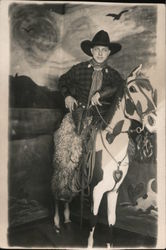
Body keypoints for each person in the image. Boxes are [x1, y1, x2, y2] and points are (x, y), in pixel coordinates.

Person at [52, 29, 124, 205]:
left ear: (109, 53)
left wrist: (103, 93)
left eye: (104, 50)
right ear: (91, 51)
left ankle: (98, 184)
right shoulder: (79, 69)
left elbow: (122, 88)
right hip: (79, 115)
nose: (100, 53)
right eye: (97, 49)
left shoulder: (114, 75)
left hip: (102, 118)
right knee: (67, 146)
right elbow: (63, 80)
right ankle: (64, 188)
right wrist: (67, 95)